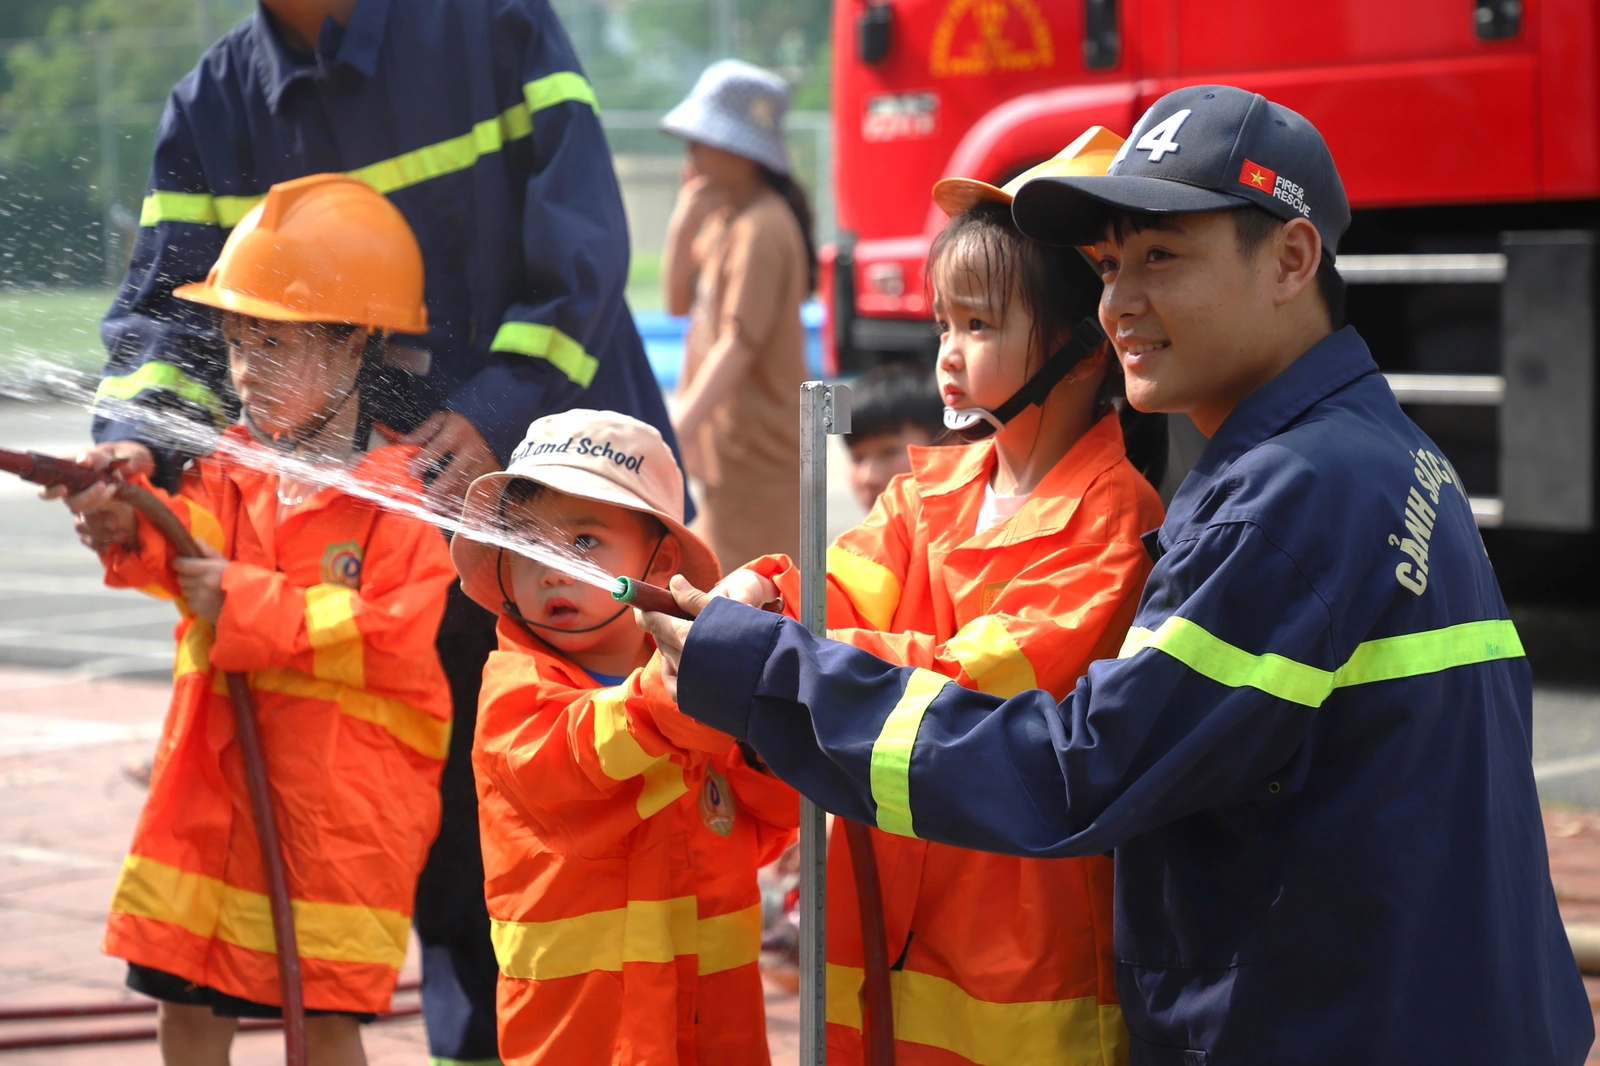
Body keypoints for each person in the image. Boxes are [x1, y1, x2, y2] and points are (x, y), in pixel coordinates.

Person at [642, 89, 1596, 1065]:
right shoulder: (1372, 454)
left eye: (1161, 258)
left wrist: (768, 675)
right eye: (1106, 265)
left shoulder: (1284, 502)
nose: (1117, 305)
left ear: (1292, 259)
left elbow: (1076, 773)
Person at [83, 2, 685, 1057]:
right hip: (361, 502)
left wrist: (496, 412)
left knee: (517, 840)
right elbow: (159, 331)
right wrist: (127, 459)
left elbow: (581, 256)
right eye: (247, 340)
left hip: (542, 502)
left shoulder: (493, 26)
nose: (250, 358)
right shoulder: (214, 107)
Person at [707, 128, 1163, 1064]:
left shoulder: (1114, 518)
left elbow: (983, 678)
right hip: (891, 903)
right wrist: (762, 592)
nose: (948, 354)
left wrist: (786, 662)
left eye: (980, 326)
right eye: (943, 325)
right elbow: (843, 588)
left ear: (1083, 351)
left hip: (1020, 932)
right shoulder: (931, 490)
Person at [49, 175, 456, 1066]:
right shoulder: (228, 469)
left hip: (334, 821)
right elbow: (181, 550)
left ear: (354, 344)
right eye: (236, 343)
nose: (243, 373)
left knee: (323, 1025)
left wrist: (240, 599)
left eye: (272, 345)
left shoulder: (401, 501)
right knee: (185, 1006)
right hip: (211, 800)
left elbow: (390, 633)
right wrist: (123, 519)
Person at [451, 409, 797, 1064]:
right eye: (530, 545)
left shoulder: (688, 682)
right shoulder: (513, 692)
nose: (552, 570)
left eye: (583, 542)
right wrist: (693, 680)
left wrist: (763, 611)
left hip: (714, 1028)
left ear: (660, 561)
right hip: (580, 1039)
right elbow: (588, 753)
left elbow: (771, 814)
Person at [660, 59, 817, 570]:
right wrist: (683, 225)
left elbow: (739, 342)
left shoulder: (763, 227)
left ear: (741, 152)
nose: (691, 152)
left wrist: (679, 424)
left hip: (758, 458)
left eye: (701, 139)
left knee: (754, 597)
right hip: (729, 455)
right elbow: (677, 305)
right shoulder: (726, 219)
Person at [841, 362, 946, 514]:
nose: (868, 478)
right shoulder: (857, 538)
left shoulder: (982, 530)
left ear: (945, 446)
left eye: (889, 452)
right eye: (857, 458)